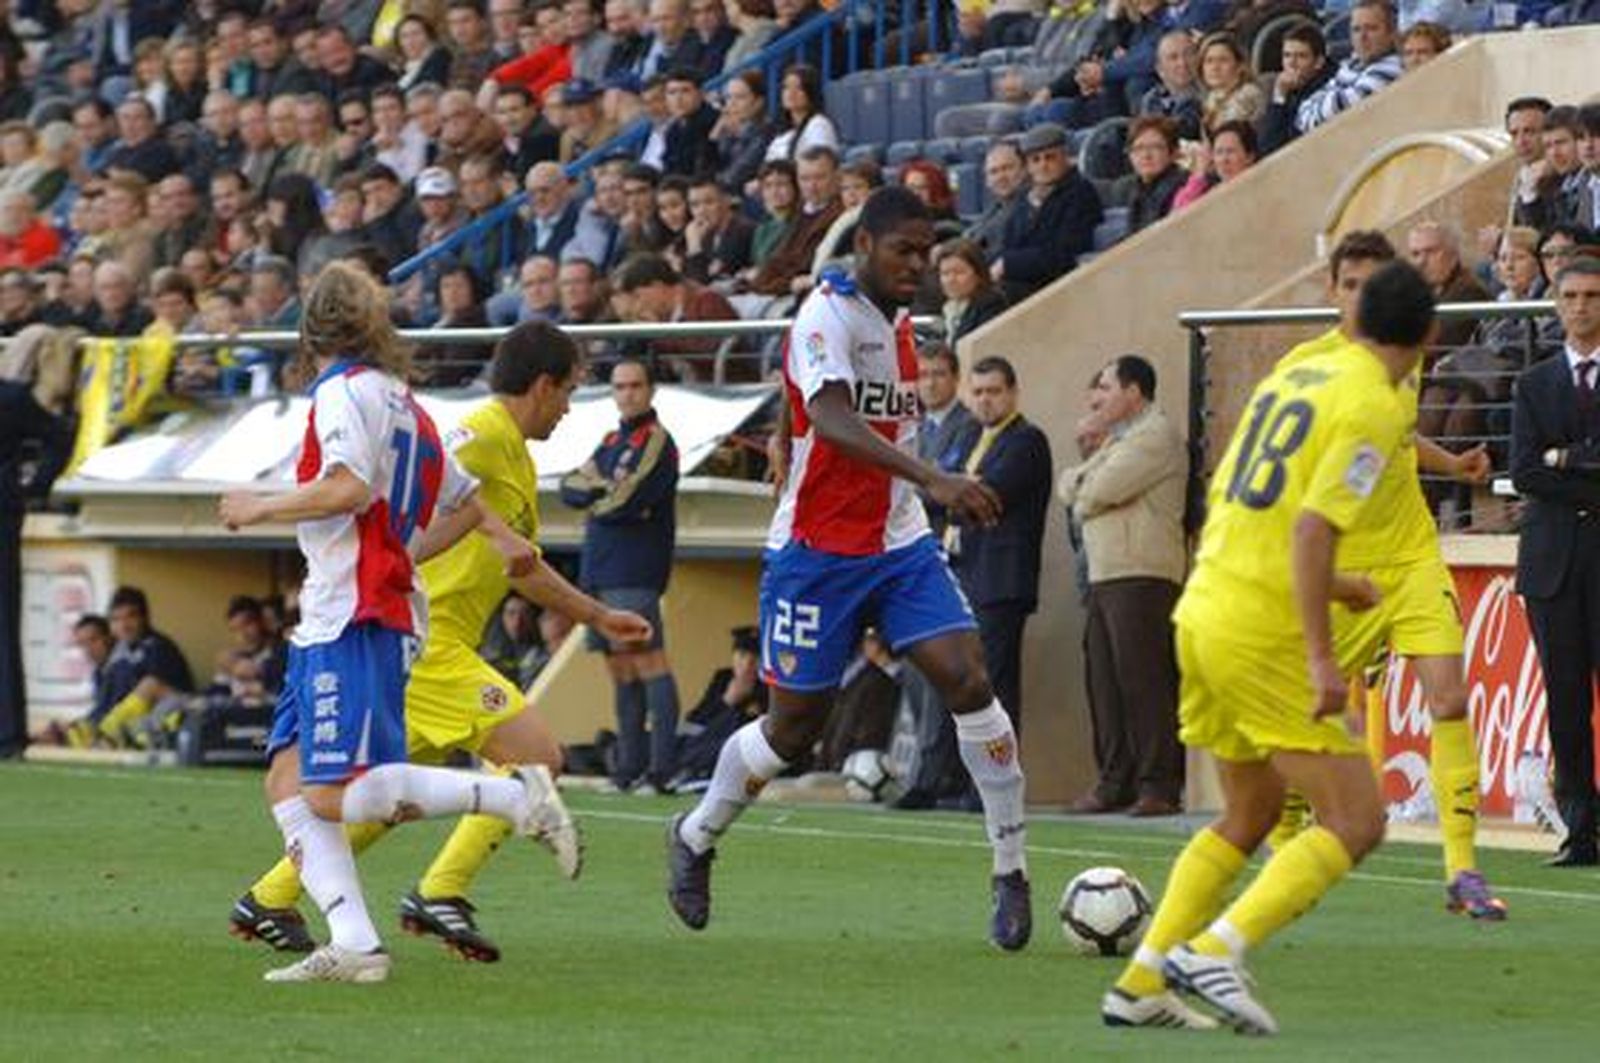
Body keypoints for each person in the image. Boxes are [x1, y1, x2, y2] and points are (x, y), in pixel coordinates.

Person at [665, 187, 1033, 951]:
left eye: (925, 251)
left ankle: (1011, 867)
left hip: (897, 545)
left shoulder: (901, 323)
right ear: (863, 244)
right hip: (816, 553)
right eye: (902, 249)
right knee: (792, 729)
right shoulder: (827, 313)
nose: (916, 264)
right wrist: (935, 478)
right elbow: (831, 414)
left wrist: (784, 428)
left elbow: (808, 401)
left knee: (969, 677)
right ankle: (697, 833)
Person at [231, 317, 652, 966]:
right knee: (536, 753)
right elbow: (425, 488)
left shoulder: (512, 451)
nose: (569, 407)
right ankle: (441, 887)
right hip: (419, 642)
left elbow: (523, 565)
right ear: (541, 385)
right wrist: (401, 555)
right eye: (568, 390)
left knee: (361, 791)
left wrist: (598, 615)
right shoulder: (480, 431)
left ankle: (272, 895)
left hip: (428, 642)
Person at [1102, 260, 1437, 1033]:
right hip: (1261, 627)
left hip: (1205, 608)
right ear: (1426, 335)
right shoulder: (1378, 404)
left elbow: (1250, 503)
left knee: (1248, 811)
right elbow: (1314, 525)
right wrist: (1324, 657)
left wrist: (1336, 584)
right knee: (1357, 820)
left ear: (1354, 320)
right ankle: (1219, 947)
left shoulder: (1296, 378)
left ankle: (1141, 980)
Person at [1265, 231, 1502, 915]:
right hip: (1343, 569)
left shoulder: (1402, 357)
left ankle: (1462, 868)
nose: (1364, 298)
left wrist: (1452, 465)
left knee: (1450, 697)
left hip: (1411, 556)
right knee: (1311, 714)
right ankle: (1282, 840)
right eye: (1350, 285)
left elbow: (1396, 434)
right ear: (1332, 291)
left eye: (1375, 285)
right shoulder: (1306, 368)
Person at [1059, 355, 1188, 816]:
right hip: (1105, 572)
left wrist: (1084, 483)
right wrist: (1083, 480)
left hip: (1142, 573)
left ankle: (1159, 785)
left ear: (1134, 393)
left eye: (1108, 388)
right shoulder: (1118, 440)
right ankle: (1115, 780)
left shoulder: (1155, 436)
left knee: (1144, 680)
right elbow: (1071, 486)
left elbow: (1094, 492)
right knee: (1105, 682)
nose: (1099, 398)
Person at [1509, 256, 1600, 868]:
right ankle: (1582, 831)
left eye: (1593, 295)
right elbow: (1525, 473)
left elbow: (1549, 469)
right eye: (1570, 295)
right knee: (1564, 701)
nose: (1582, 306)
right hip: (1553, 568)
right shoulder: (1533, 384)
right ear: (1556, 303)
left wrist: (1567, 460)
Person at [560, 359, 683, 793]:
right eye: (619, 386)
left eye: (635, 386)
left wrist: (600, 491)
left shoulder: (658, 441)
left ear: (651, 390)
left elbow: (626, 501)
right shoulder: (612, 439)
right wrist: (602, 488)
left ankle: (661, 770)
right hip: (599, 567)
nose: (627, 393)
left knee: (650, 663)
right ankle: (628, 768)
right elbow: (570, 486)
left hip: (635, 568)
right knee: (620, 669)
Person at [944, 357, 1052, 735]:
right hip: (961, 575)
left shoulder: (1026, 440)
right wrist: (955, 486)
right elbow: (941, 486)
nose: (985, 400)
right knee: (963, 683)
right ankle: (955, 784)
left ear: (1013, 393)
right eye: (977, 392)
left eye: (994, 391)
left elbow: (985, 496)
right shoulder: (967, 435)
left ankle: (995, 785)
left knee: (995, 687)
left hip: (999, 582)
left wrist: (958, 488)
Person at [0, 378, 73, 757]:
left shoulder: (10, 396)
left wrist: (34, 486)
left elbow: (59, 436)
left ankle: (9, 736)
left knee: (4, 624)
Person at [63, 586, 194, 749]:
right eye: (116, 619)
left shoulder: (158, 647)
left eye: (131, 617)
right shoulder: (121, 655)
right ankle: (100, 735)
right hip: (141, 720)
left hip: (177, 715)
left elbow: (154, 693)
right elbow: (110, 703)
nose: (124, 625)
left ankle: (104, 735)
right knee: (75, 730)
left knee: (149, 686)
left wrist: (96, 727)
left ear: (144, 618)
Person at [993, 122, 1102, 303]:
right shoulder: (1023, 199)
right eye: (1035, 160)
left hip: (1058, 287)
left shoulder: (1080, 192)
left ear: (1065, 157)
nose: (1043, 165)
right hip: (1020, 282)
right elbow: (1007, 245)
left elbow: (1064, 254)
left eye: (1050, 158)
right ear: (1027, 166)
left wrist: (1009, 264)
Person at [1295, 0, 1401, 134]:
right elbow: (1302, 114)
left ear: (1392, 33)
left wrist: (1320, 105)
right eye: (1356, 29)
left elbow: (1327, 117)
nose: (1362, 37)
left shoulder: (1390, 69)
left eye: (1371, 29)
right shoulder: (1352, 64)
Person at [915, 341, 975, 538]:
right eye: (923, 375)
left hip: (947, 538)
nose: (930, 384)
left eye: (939, 374)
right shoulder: (913, 426)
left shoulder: (970, 424)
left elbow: (949, 484)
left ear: (956, 378)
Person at [937, 238, 1008, 342]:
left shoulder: (991, 304)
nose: (951, 280)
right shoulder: (949, 307)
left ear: (978, 275)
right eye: (945, 273)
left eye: (959, 272)